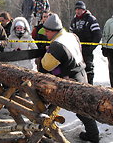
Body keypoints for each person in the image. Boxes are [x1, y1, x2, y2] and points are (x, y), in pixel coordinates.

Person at [41, 14, 100, 143]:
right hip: (81, 73)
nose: (45, 34)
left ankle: (93, 136)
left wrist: (48, 52)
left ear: (53, 31)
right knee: (81, 108)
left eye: (47, 31)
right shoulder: (72, 36)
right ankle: (93, 135)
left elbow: (46, 64)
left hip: (71, 79)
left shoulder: (57, 44)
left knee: (80, 109)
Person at [69, 1, 102, 84]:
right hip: (77, 50)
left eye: (79, 9)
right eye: (76, 9)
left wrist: (91, 48)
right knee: (77, 68)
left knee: (89, 68)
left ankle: (90, 85)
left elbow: (98, 35)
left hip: (87, 48)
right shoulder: (73, 21)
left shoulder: (91, 19)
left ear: (84, 10)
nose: (77, 11)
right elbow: (70, 35)